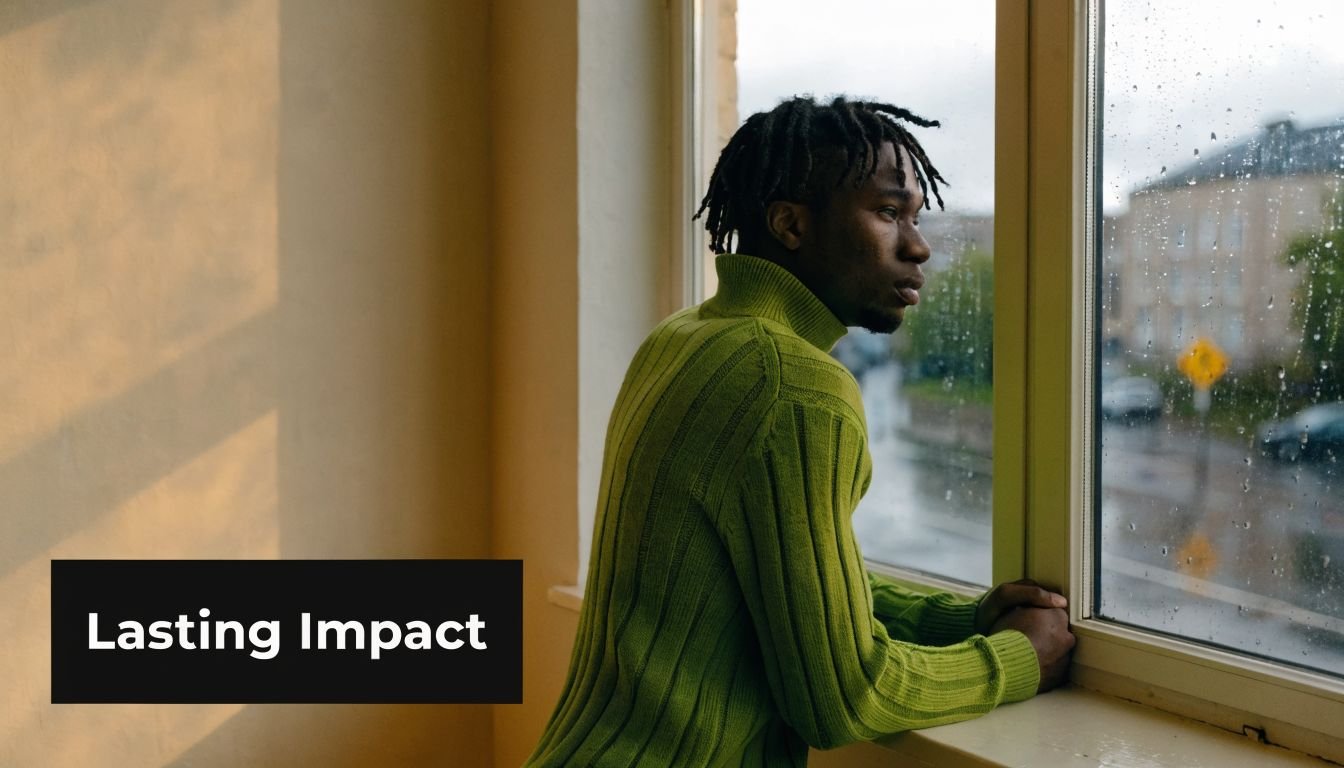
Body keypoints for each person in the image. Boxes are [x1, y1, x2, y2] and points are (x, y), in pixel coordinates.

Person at [524, 95, 1075, 767]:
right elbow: (843, 696)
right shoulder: (793, 385)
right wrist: (1020, 658)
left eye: (917, 216)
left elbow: (790, 579)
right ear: (790, 224)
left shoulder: (682, 337)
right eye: (888, 211)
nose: (920, 244)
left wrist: (956, 620)